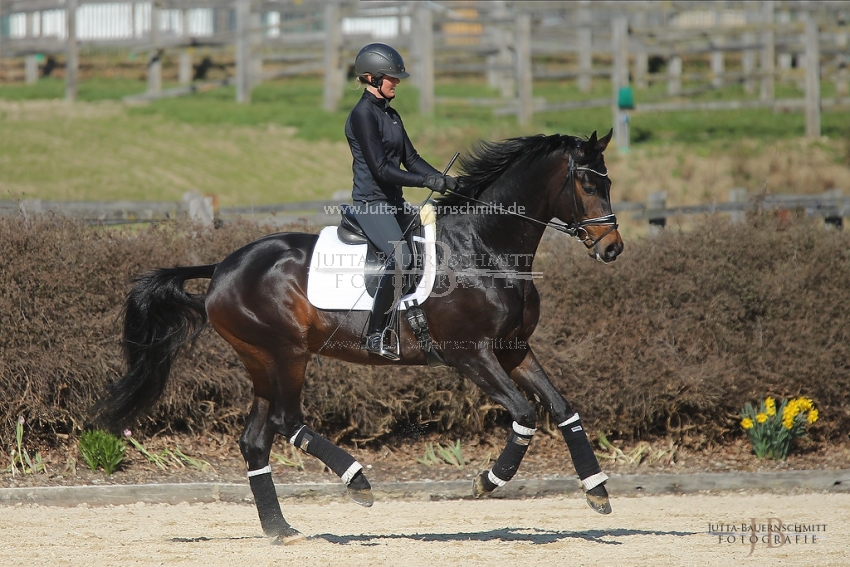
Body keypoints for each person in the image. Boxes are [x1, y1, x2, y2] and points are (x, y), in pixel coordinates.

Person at [345, 42, 457, 360]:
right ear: (370, 78)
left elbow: (412, 158)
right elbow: (381, 169)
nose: (397, 82)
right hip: (371, 204)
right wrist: (425, 181)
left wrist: (445, 180)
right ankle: (375, 335)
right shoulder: (363, 115)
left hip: (394, 204)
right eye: (391, 77)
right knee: (402, 259)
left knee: (432, 248)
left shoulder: (390, 115)